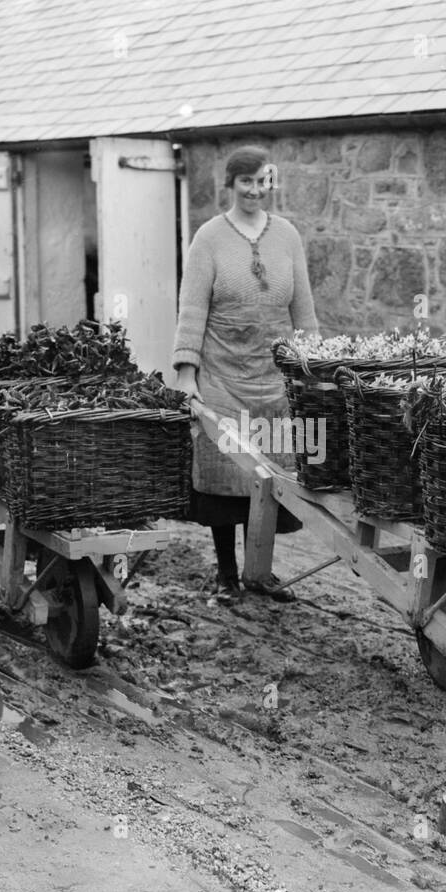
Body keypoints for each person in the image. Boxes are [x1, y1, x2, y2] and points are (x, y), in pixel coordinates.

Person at [172, 146, 319, 604]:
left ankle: (262, 571)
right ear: (230, 185)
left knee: (271, 478)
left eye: (262, 182)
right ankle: (226, 574)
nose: (254, 191)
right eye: (245, 183)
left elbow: (304, 311)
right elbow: (192, 309)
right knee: (225, 476)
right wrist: (185, 372)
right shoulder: (209, 238)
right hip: (221, 375)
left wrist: (315, 370)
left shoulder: (288, 236)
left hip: (273, 380)